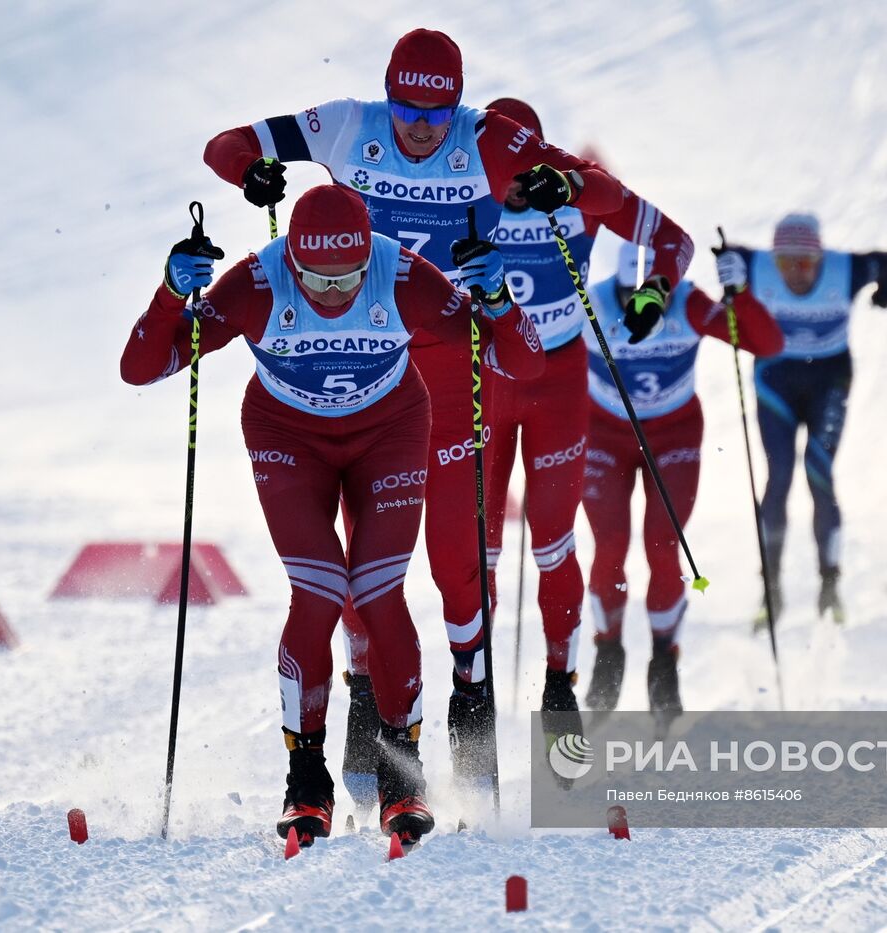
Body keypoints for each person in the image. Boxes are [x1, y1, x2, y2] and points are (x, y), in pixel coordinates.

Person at [202, 29, 625, 804]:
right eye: (407, 105)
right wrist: (249, 170)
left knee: (460, 568)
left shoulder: (489, 138)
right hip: (374, 376)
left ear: (457, 103)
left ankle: (473, 702)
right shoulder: (347, 125)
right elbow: (228, 142)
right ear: (386, 93)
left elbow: (589, 183)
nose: (421, 125)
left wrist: (563, 189)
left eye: (437, 108)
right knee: (369, 568)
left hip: (457, 368)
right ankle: (370, 712)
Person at [118, 184, 543, 846]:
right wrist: (172, 292)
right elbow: (140, 368)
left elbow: (518, 358)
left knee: (377, 593)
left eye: (348, 276)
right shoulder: (257, 283)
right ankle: (305, 781)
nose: (335, 292)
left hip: (391, 429)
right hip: (288, 436)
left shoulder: (401, 274)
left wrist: (497, 296)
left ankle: (403, 778)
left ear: (366, 257)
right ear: (292, 261)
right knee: (318, 594)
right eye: (316, 278)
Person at [477, 96, 695, 752]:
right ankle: (473, 682)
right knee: (477, 544)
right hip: (482, 382)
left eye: (522, 170)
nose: (508, 187)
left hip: (557, 386)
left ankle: (559, 681)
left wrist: (655, 294)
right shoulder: (455, 193)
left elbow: (671, 240)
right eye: (494, 171)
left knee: (554, 542)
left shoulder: (572, 194)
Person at [581, 244, 783, 715]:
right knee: (609, 546)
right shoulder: (592, 303)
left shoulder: (690, 302)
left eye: (657, 294)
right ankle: (608, 649)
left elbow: (767, 344)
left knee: (662, 545)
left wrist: (741, 293)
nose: (647, 306)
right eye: (635, 294)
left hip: (673, 434)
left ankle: (663, 661)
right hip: (606, 435)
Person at [715, 213, 887, 623]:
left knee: (820, 474)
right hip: (775, 382)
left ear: (821, 257)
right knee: (778, 476)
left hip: (828, 383)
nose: (796, 273)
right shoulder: (756, 265)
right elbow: (724, 254)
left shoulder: (845, 268)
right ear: (773, 259)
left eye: (806, 263)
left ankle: (830, 585)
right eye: (785, 263)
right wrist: (726, 272)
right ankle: (771, 589)